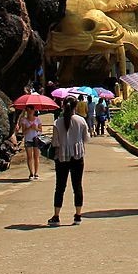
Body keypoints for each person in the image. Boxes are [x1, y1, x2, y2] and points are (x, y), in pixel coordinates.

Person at [49, 97, 89, 226]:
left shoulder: (57, 122)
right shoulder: (81, 121)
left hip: (62, 157)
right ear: (75, 107)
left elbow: (55, 142)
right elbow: (86, 139)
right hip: (77, 156)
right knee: (77, 186)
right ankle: (78, 215)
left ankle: (56, 216)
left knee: (60, 187)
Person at [15, 107, 45, 180]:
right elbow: (23, 132)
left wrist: (36, 128)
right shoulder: (24, 120)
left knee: (36, 156)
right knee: (29, 157)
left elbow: (41, 131)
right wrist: (29, 128)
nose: (30, 112)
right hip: (28, 139)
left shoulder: (37, 119)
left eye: (31, 110)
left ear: (34, 110)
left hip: (36, 139)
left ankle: (36, 173)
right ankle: (31, 173)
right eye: (28, 110)